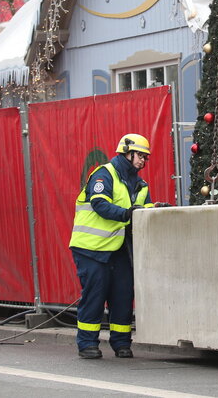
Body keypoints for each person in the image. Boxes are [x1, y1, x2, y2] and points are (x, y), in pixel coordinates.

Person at [68, 133, 156, 359]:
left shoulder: (140, 184)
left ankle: (121, 343)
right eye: (140, 156)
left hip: (119, 249)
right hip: (92, 248)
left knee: (123, 296)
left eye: (145, 158)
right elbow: (99, 204)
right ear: (126, 152)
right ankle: (87, 344)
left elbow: (143, 210)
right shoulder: (103, 175)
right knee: (95, 295)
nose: (142, 161)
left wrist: (155, 209)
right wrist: (128, 214)